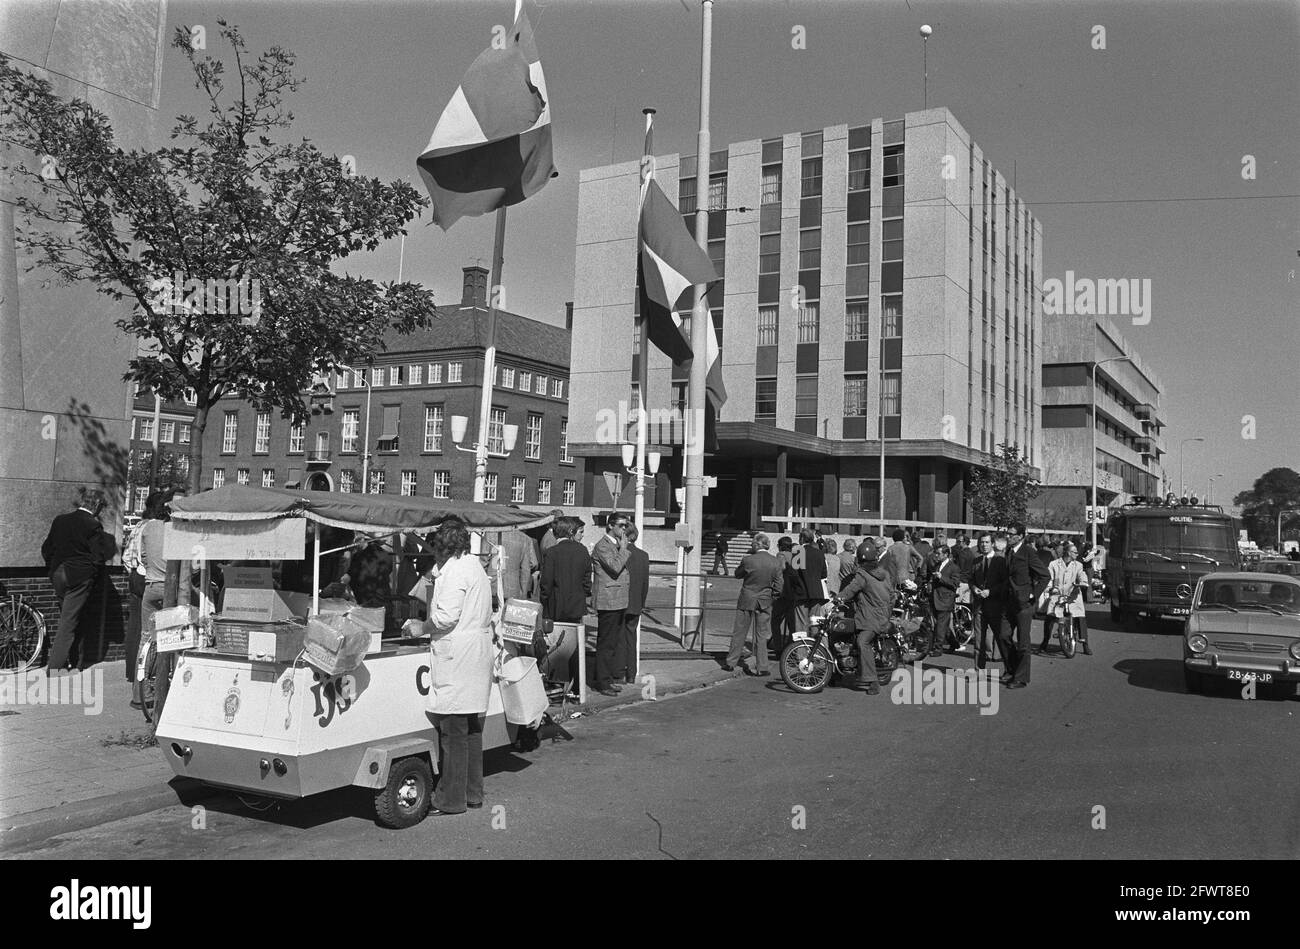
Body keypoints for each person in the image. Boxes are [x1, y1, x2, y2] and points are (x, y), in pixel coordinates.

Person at [415, 517, 495, 816]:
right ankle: (473, 793)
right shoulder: (472, 566)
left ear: (442, 547)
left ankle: (450, 800)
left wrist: (419, 627)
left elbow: (445, 616)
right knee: (472, 729)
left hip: (458, 653)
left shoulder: (455, 572)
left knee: (453, 732)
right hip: (475, 652)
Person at [41, 487, 116, 671]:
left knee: (73, 617)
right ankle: (55, 667)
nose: (101, 511)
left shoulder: (60, 520)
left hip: (59, 573)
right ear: (97, 505)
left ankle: (76, 662)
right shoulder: (92, 525)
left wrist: (53, 569)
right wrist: (92, 574)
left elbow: (46, 549)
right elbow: (98, 557)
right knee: (69, 621)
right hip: (79, 577)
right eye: (102, 507)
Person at [999, 522, 1050, 689]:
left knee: (1023, 642)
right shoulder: (1008, 551)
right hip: (1009, 602)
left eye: (1011, 533)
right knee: (1003, 635)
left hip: (1024, 604)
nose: (1007, 536)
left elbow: (1044, 576)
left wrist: (1032, 594)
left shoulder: (1028, 552)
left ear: (1020, 536)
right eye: (1007, 533)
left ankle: (1021, 678)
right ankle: (1012, 668)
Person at [838, 540, 893, 696]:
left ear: (861, 559)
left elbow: (850, 590)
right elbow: (891, 593)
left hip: (871, 618)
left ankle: (872, 680)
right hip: (883, 615)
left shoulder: (862, 574)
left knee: (863, 641)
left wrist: (837, 599)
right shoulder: (884, 573)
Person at [725, 533, 783, 675]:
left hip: (747, 598)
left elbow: (737, 574)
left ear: (756, 544)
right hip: (765, 600)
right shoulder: (775, 562)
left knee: (739, 632)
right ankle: (762, 667)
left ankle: (731, 662)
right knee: (762, 635)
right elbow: (779, 584)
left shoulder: (748, 560)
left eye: (752, 543)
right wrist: (773, 596)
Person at [590, 513, 632, 696]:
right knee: (606, 642)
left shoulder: (614, 545)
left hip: (618, 599)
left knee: (613, 642)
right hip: (608, 600)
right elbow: (614, 567)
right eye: (621, 526)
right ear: (610, 526)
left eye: (626, 526)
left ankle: (606, 678)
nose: (624, 529)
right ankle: (603, 682)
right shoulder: (602, 546)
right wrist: (623, 549)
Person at [537, 516, 591, 625]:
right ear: (570, 532)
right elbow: (587, 579)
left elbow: (546, 582)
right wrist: (582, 595)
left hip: (556, 605)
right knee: (573, 638)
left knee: (556, 638)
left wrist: (544, 600)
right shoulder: (582, 550)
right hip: (576, 604)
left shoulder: (552, 552)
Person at [970, 532, 1009, 670]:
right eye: (981, 542)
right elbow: (971, 580)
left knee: (1001, 639)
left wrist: (991, 591)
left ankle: (1009, 669)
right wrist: (974, 588)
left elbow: (1005, 582)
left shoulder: (1001, 561)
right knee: (979, 641)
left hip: (996, 607)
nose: (984, 545)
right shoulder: (976, 561)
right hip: (979, 606)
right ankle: (978, 670)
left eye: (987, 542)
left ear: (992, 544)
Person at [1047, 542, 1092, 655]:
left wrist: (1083, 582)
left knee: (1080, 615)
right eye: (1075, 552)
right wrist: (1050, 588)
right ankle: (1044, 641)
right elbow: (1049, 578)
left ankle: (1085, 644)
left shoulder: (1078, 565)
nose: (1077, 554)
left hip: (1073, 595)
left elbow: (1081, 575)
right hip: (1058, 595)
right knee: (1050, 617)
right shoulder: (1054, 564)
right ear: (1068, 552)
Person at [621, 524, 650, 685]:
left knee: (618, 638)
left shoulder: (620, 554)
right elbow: (645, 584)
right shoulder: (643, 556)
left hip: (620, 603)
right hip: (635, 604)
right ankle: (631, 673)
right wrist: (641, 603)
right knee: (631, 638)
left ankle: (618, 672)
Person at [788, 528, 828, 634]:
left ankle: (802, 649)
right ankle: (816, 648)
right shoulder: (819, 553)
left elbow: (793, 574)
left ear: (802, 538)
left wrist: (796, 586)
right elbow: (824, 574)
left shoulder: (798, 552)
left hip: (802, 592)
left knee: (801, 624)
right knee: (814, 623)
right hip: (817, 592)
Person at [928, 542, 960, 657]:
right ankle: (954, 643)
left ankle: (938, 648)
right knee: (943, 625)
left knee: (940, 625)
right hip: (936, 597)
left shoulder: (954, 567)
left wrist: (942, 578)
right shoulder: (937, 565)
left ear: (946, 554)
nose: (936, 556)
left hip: (946, 599)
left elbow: (955, 583)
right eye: (936, 553)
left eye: (938, 553)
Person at [497, 526, 539, 602]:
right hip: (514, 588)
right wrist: (523, 593)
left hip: (492, 586)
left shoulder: (490, 534)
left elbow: (484, 562)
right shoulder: (525, 539)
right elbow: (532, 564)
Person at [771, 536, 796, 654]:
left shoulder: (781, 555)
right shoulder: (794, 555)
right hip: (794, 593)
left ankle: (777, 647)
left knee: (775, 621)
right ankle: (791, 647)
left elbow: (780, 572)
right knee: (792, 623)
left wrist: (777, 592)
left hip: (783, 593)